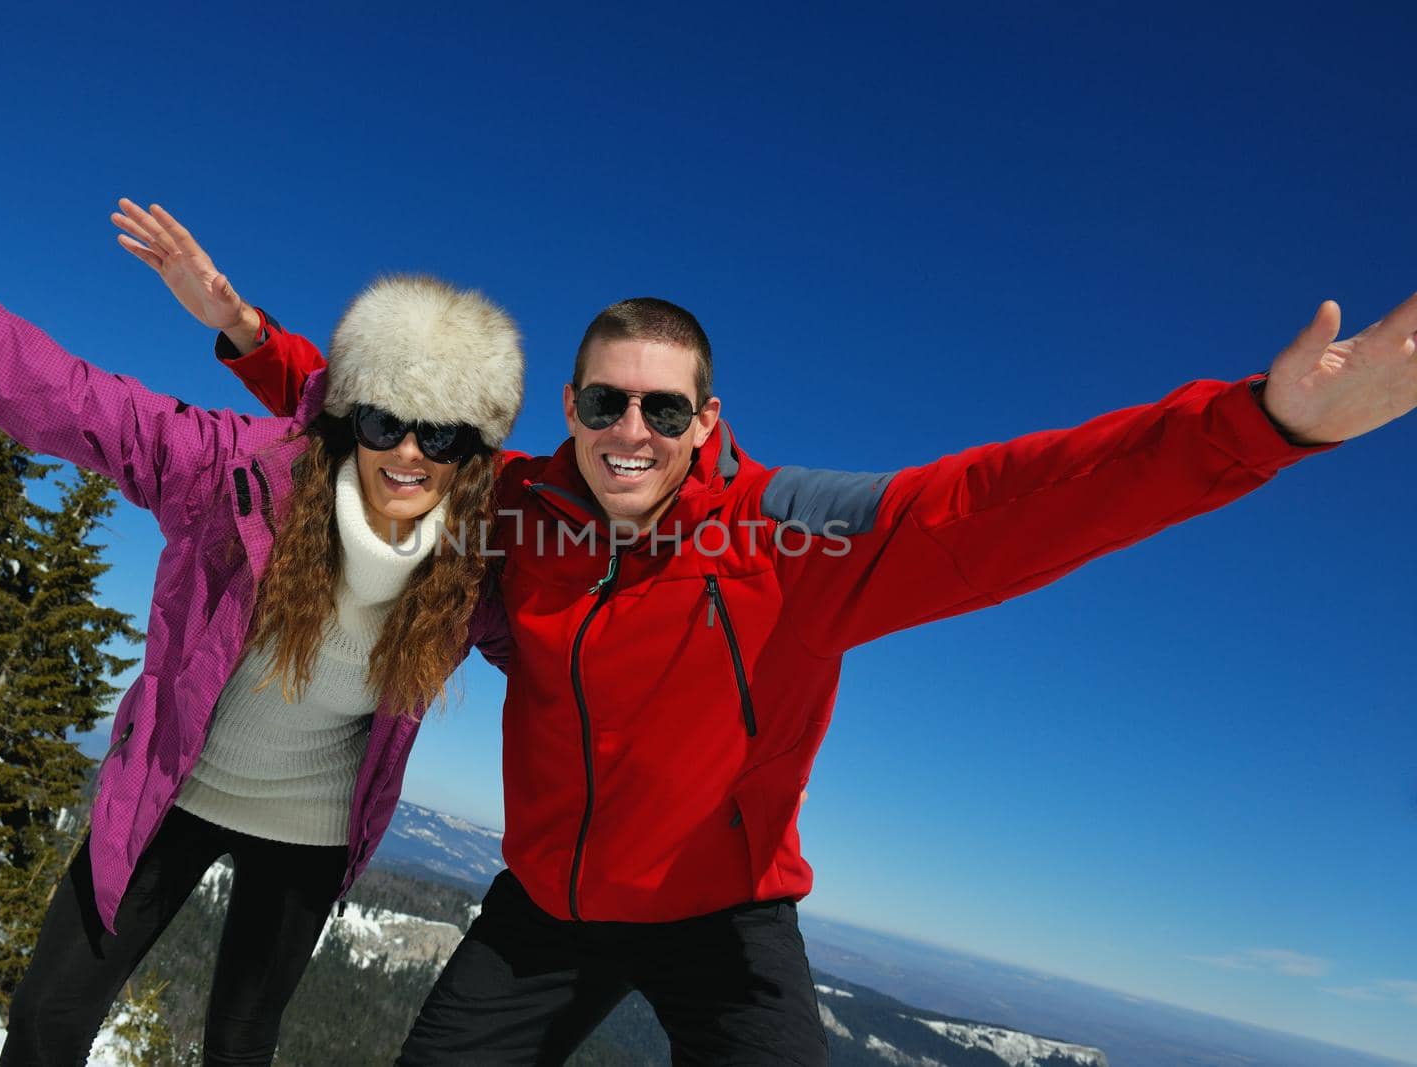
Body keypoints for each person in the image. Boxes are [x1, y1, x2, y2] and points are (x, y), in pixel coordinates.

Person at [144, 202, 1414, 1065]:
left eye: (659, 405)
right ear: (574, 409)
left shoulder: (791, 538)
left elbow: (997, 500)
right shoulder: (519, 507)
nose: (627, 428)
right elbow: (392, 423)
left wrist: (1263, 425)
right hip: (542, 906)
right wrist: (245, 334)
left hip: (726, 921)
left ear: (705, 419)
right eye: (602, 400)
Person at [0, 138, 523, 1067]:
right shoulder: (233, 475)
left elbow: (596, 653)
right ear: (350, 417)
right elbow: (42, 387)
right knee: (48, 1019)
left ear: (471, 449)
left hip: (310, 834)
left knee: (240, 1043)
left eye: (439, 434)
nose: (408, 454)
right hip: (170, 790)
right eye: (385, 421)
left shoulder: (478, 570)